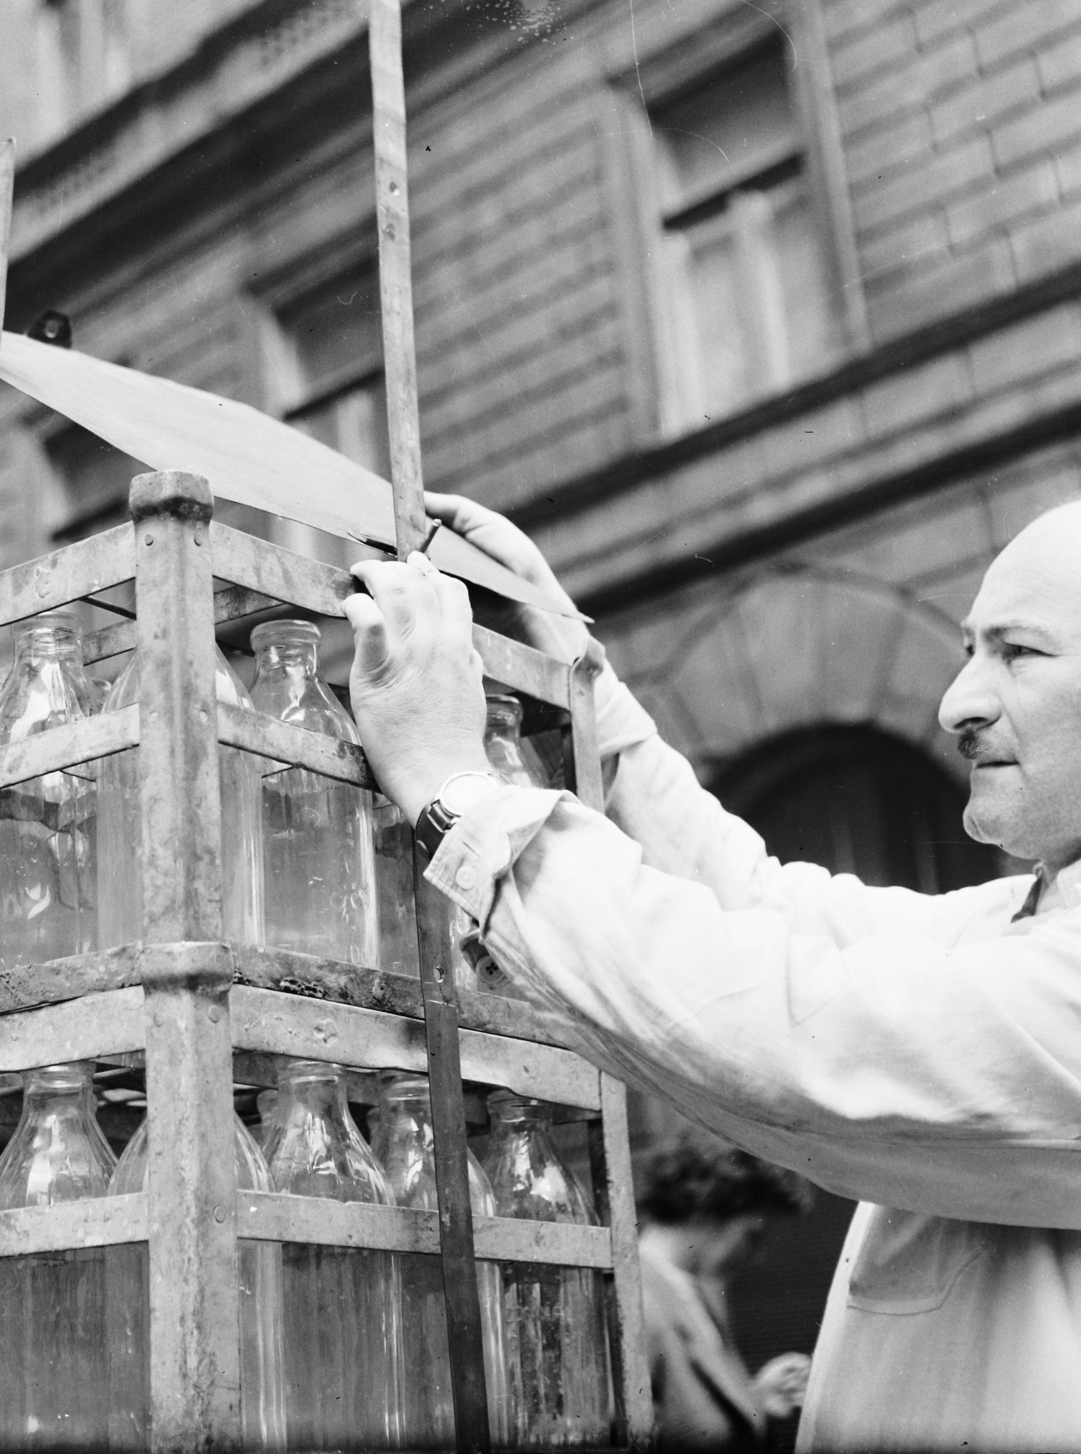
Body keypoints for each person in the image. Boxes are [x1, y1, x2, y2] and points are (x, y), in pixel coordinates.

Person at [341, 492, 1081, 1450]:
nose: (959, 703)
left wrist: (454, 792)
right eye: (969, 651)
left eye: (1019, 652)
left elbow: (785, 1030)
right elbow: (758, 905)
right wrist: (577, 670)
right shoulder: (1023, 918)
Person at [636, 1130, 813, 1452]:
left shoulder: (694, 1291)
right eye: (752, 1236)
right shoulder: (636, 1301)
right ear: (712, 1205)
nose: (756, 1256)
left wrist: (755, 1397)